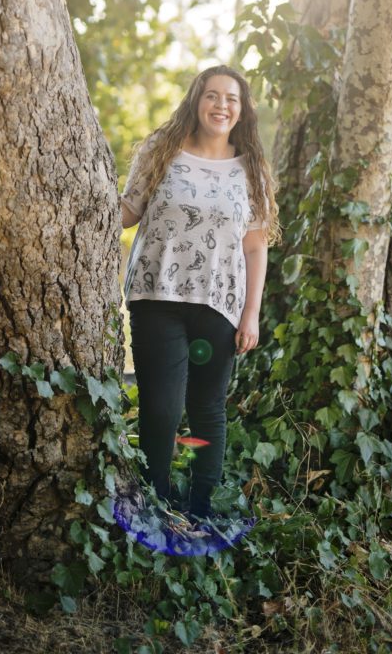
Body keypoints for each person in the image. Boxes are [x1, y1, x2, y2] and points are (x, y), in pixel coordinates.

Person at [120, 65, 280, 521]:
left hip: (220, 304)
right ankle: (157, 501)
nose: (221, 105)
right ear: (197, 100)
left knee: (207, 410)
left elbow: (254, 247)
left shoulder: (252, 171)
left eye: (231, 98)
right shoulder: (161, 150)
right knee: (161, 407)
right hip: (158, 297)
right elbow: (129, 210)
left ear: (242, 109)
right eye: (212, 95)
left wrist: (251, 314)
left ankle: (202, 508)